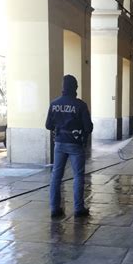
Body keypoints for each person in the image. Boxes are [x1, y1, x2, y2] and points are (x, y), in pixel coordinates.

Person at [45, 75, 93, 218]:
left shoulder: (54, 104)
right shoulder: (80, 105)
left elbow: (48, 125)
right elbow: (88, 127)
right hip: (75, 144)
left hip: (59, 143)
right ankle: (78, 208)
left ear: (63, 87)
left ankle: (55, 208)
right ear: (75, 87)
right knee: (78, 175)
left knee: (56, 176)